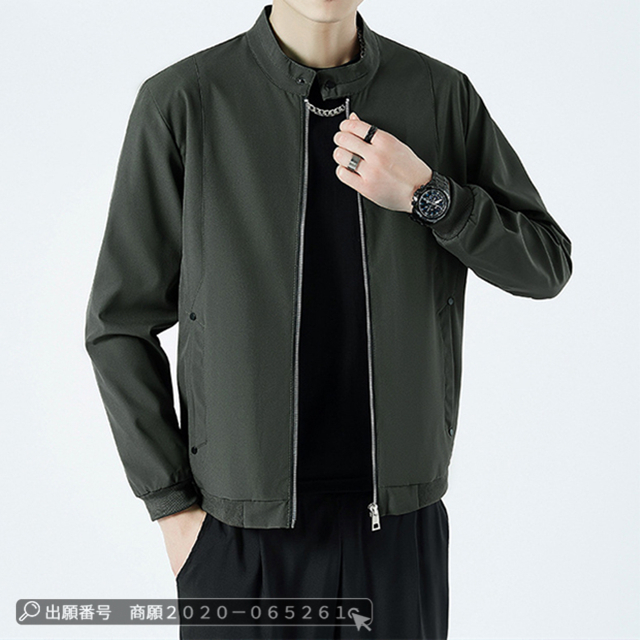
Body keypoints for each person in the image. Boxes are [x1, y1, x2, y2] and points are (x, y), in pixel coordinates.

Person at [84, 1, 573, 639]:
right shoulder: (185, 101)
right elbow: (119, 323)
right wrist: (173, 509)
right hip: (240, 538)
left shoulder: (438, 95)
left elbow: (544, 265)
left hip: (398, 533)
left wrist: (429, 195)